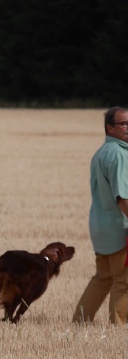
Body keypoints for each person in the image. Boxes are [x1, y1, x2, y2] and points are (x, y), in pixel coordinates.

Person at [72, 106, 128, 326]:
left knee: (103, 278)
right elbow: (122, 198)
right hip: (119, 227)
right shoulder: (119, 154)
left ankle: (80, 321)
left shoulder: (101, 152)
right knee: (123, 281)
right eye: (123, 124)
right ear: (110, 128)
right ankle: (120, 326)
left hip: (101, 227)